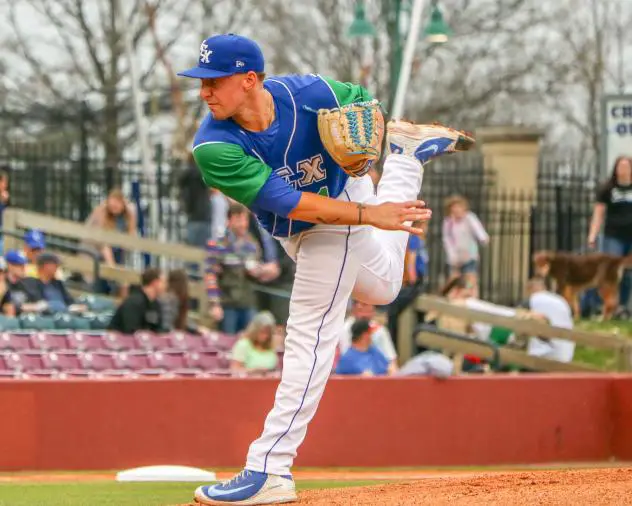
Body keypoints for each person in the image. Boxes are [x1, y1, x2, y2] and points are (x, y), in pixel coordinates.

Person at [177, 33, 473, 505]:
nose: (205, 91)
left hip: (340, 210)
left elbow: (364, 102)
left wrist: (370, 139)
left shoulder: (308, 94)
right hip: (304, 221)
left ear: (250, 79)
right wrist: (374, 211)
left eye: (215, 81)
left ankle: (270, 467)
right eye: (202, 81)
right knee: (382, 288)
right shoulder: (213, 146)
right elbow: (289, 202)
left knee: (310, 333)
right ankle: (407, 157)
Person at [206, 203, 269, 334]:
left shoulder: (252, 244)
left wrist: (258, 271)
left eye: (244, 219)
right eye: (238, 219)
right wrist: (214, 304)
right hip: (227, 303)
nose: (242, 224)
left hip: (248, 302)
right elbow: (210, 275)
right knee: (227, 343)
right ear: (229, 221)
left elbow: (257, 268)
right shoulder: (218, 244)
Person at [587, 156, 632, 317]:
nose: (624, 169)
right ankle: (605, 305)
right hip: (613, 236)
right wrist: (592, 235)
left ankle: (621, 307)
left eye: (627, 166)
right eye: (620, 166)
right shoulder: (608, 188)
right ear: (615, 169)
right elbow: (598, 214)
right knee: (610, 272)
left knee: (628, 274)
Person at [442, 195, 488, 298]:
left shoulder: (469, 218)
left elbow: (478, 230)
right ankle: (454, 299)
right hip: (455, 258)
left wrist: (483, 238)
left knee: (470, 279)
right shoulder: (449, 222)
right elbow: (447, 240)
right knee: (455, 280)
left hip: (469, 255)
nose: (457, 210)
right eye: (454, 208)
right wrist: (452, 256)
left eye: (459, 207)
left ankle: (471, 296)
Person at [525, 277, 575, 363]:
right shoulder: (560, 300)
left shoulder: (534, 299)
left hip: (544, 356)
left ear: (531, 288)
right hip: (566, 354)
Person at [340, 300, 397, 372]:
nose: (361, 307)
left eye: (366, 305)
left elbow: (391, 360)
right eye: (361, 304)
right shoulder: (344, 328)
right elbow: (344, 359)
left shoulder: (379, 332)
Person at [108, 268, 165, 334]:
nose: (166, 286)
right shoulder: (134, 302)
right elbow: (131, 330)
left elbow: (158, 329)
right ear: (155, 283)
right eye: (164, 282)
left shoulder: (155, 304)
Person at [179, 152, 213, 249]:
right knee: (203, 254)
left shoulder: (185, 177)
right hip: (204, 217)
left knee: (191, 253)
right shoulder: (203, 175)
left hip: (192, 217)